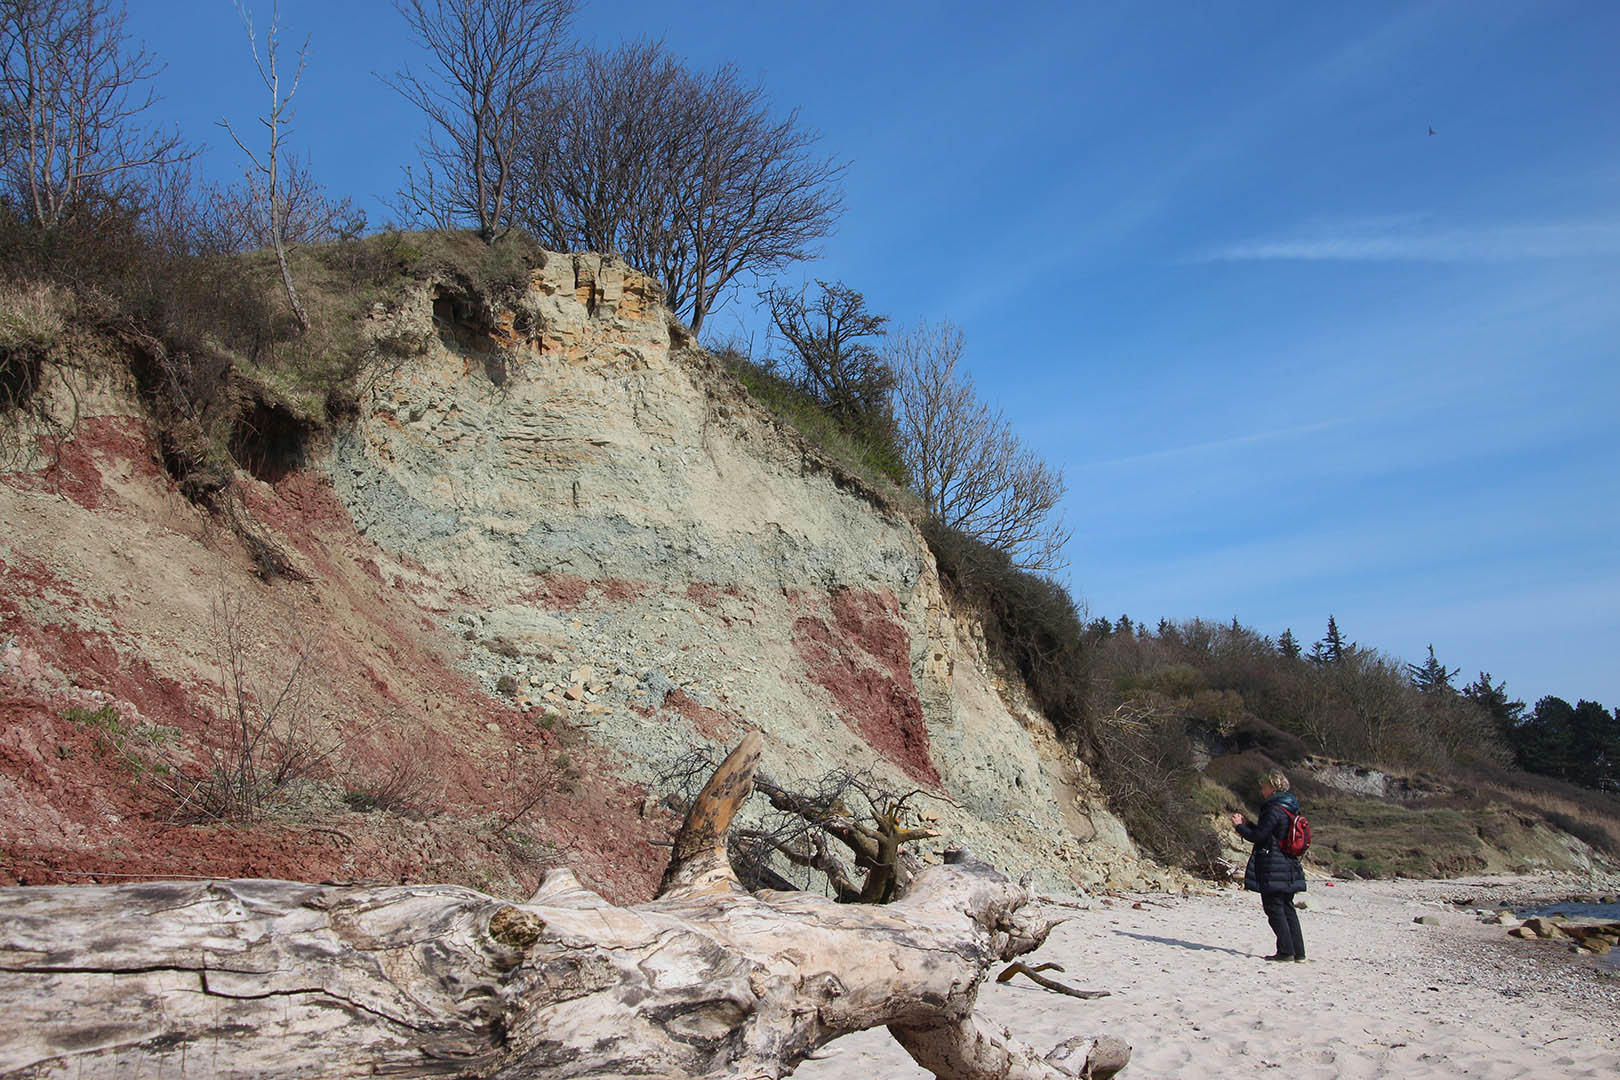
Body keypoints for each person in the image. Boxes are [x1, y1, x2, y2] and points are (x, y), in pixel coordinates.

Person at [1232, 769, 1307, 961]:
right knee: (1287, 907)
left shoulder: (1273, 808)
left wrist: (1240, 826)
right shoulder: (1290, 806)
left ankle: (1285, 951)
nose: (1261, 790)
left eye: (1264, 786)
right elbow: (1270, 833)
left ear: (1272, 787)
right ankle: (1298, 952)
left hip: (1274, 864)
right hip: (1288, 864)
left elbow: (1258, 837)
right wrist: (1249, 824)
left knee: (1274, 908)